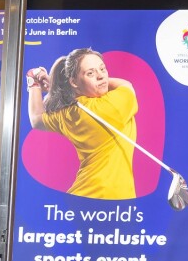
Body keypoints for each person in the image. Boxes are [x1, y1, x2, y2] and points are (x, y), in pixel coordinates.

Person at [26, 47, 137, 200]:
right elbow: (126, 85)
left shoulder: (70, 113)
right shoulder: (112, 104)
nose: (100, 76)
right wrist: (57, 84)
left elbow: (36, 119)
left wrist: (34, 82)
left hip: (80, 198)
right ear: (74, 82)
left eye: (102, 69)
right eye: (90, 73)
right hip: (111, 202)